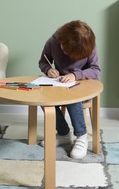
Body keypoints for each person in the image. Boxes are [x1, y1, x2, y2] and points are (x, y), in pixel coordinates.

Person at [38, 20, 101, 159]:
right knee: (41, 97)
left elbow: (95, 70)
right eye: (65, 51)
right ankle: (63, 134)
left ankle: (81, 136)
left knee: (73, 98)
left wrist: (75, 75)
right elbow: (43, 61)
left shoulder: (88, 44)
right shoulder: (53, 41)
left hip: (84, 86)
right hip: (61, 84)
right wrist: (48, 70)